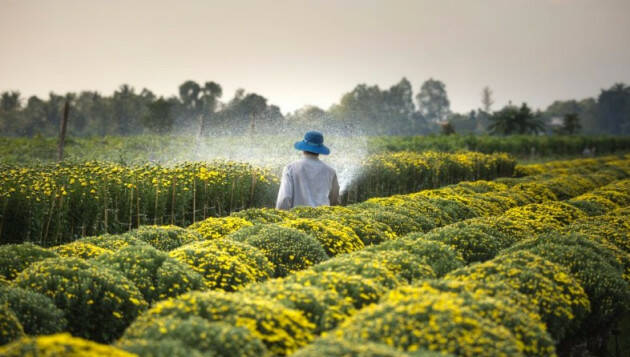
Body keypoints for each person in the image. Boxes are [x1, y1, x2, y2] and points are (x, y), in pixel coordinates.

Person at [276, 131, 340, 210]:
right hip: (323, 219)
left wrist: (281, 217)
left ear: (303, 148)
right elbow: (334, 199)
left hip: (296, 219)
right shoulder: (330, 171)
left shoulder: (290, 168)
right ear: (319, 150)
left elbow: (284, 199)